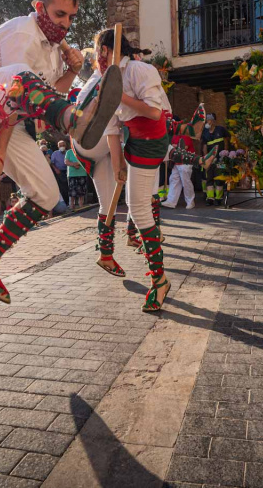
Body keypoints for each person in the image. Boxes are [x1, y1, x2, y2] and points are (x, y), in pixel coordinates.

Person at [0, 0, 122, 304]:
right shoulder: (22, 31)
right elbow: (14, 93)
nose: (65, 24)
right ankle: (76, 121)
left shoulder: (53, 53)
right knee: (22, 75)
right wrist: (1, 150)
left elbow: (48, 100)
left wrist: (69, 71)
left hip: (7, 124)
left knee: (47, 195)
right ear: (40, 8)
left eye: (70, 17)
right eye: (58, 14)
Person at [96, 28, 174, 311]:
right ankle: (159, 279)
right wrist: (117, 166)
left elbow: (154, 113)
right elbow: (112, 128)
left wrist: (118, 97)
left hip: (152, 140)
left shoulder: (141, 70)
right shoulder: (107, 79)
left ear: (104, 50)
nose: (95, 58)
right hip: (133, 140)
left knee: (137, 207)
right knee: (136, 205)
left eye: (96, 52)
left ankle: (160, 280)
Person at [162, 127, 197, 209]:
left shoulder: (186, 136)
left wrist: (173, 147)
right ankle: (171, 201)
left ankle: (190, 201)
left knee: (186, 182)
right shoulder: (174, 136)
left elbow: (185, 147)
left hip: (186, 162)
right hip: (177, 162)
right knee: (174, 179)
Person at [200, 114, 229, 205]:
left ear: (212, 121)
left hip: (220, 159)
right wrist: (206, 159)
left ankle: (219, 198)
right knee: (209, 179)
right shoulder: (205, 133)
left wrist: (225, 154)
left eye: (208, 120)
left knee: (219, 178)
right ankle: (210, 198)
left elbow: (226, 141)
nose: (206, 122)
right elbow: (204, 146)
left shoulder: (220, 130)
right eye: (206, 120)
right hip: (210, 160)